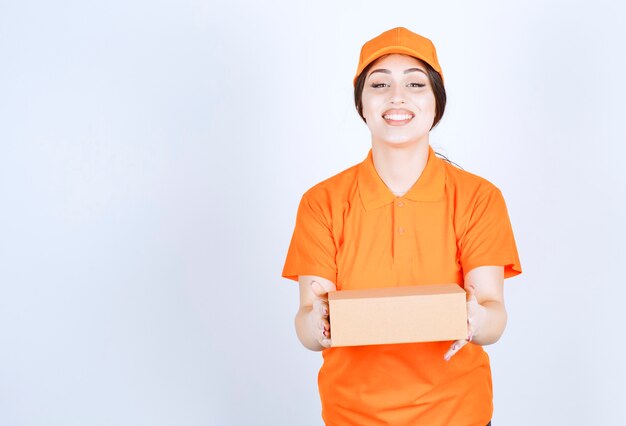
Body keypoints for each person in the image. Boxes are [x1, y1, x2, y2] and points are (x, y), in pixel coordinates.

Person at [282, 27, 521, 425]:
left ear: (436, 104)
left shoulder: (478, 197)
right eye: (379, 84)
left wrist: (477, 321)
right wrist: (317, 324)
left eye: (415, 83)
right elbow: (307, 318)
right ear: (362, 103)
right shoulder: (321, 202)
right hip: (351, 415)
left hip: (457, 413)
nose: (397, 96)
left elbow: (494, 313)